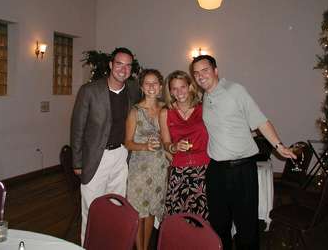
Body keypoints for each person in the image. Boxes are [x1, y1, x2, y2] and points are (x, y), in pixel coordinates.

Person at [190, 55, 296, 250]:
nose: (200, 76)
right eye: (196, 73)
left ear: (215, 70)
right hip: (216, 170)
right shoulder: (205, 96)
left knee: (246, 226)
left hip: (241, 169)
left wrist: (279, 146)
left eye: (204, 70)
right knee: (219, 225)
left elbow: (260, 121)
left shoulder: (235, 90)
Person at [70, 47, 140, 244]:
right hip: (95, 158)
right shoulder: (89, 91)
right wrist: (77, 161)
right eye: (119, 64)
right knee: (92, 208)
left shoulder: (133, 90)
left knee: (116, 206)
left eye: (128, 66)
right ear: (111, 65)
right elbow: (77, 127)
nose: (123, 69)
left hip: (121, 156)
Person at [125, 69, 169, 250]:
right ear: (142, 87)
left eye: (155, 83)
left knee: (150, 211)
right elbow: (127, 142)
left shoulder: (166, 109)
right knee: (138, 212)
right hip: (139, 169)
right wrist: (144, 146)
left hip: (159, 168)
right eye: (147, 83)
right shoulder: (135, 111)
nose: (151, 86)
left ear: (160, 87)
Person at [159, 70, 210, 219]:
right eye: (174, 88)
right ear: (170, 91)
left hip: (204, 169)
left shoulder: (204, 109)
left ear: (190, 87)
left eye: (182, 87)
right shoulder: (166, 112)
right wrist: (174, 147)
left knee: (203, 216)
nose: (179, 92)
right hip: (179, 170)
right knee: (178, 217)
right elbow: (166, 143)